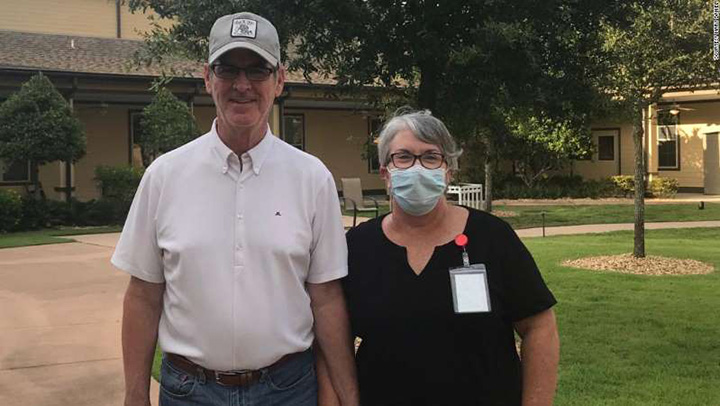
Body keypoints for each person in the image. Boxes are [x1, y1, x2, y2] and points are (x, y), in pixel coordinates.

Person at [113, 11, 359, 406]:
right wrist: (134, 395)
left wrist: (349, 397)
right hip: (189, 391)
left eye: (258, 70)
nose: (242, 85)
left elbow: (326, 296)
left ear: (279, 80)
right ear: (208, 78)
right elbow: (143, 294)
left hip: (288, 390)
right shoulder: (164, 176)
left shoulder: (311, 178)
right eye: (228, 69)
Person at [321, 109, 559, 406]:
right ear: (385, 173)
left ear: (448, 171)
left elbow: (539, 327)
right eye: (404, 157)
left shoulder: (493, 238)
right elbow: (333, 342)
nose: (417, 168)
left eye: (431, 157)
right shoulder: (358, 247)